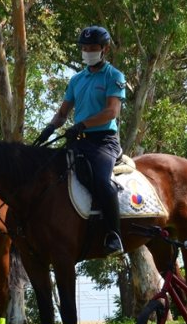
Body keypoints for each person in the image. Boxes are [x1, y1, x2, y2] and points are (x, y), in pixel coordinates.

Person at [35, 25, 127, 255]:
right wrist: (49, 128)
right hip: (79, 140)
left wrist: (83, 124)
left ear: (104, 49)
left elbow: (111, 112)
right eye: (84, 48)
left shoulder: (113, 76)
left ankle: (114, 234)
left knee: (102, 182)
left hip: (104, 141)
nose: (87, 51)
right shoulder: (76, 80)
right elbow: (63, 112)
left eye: (92, 48)